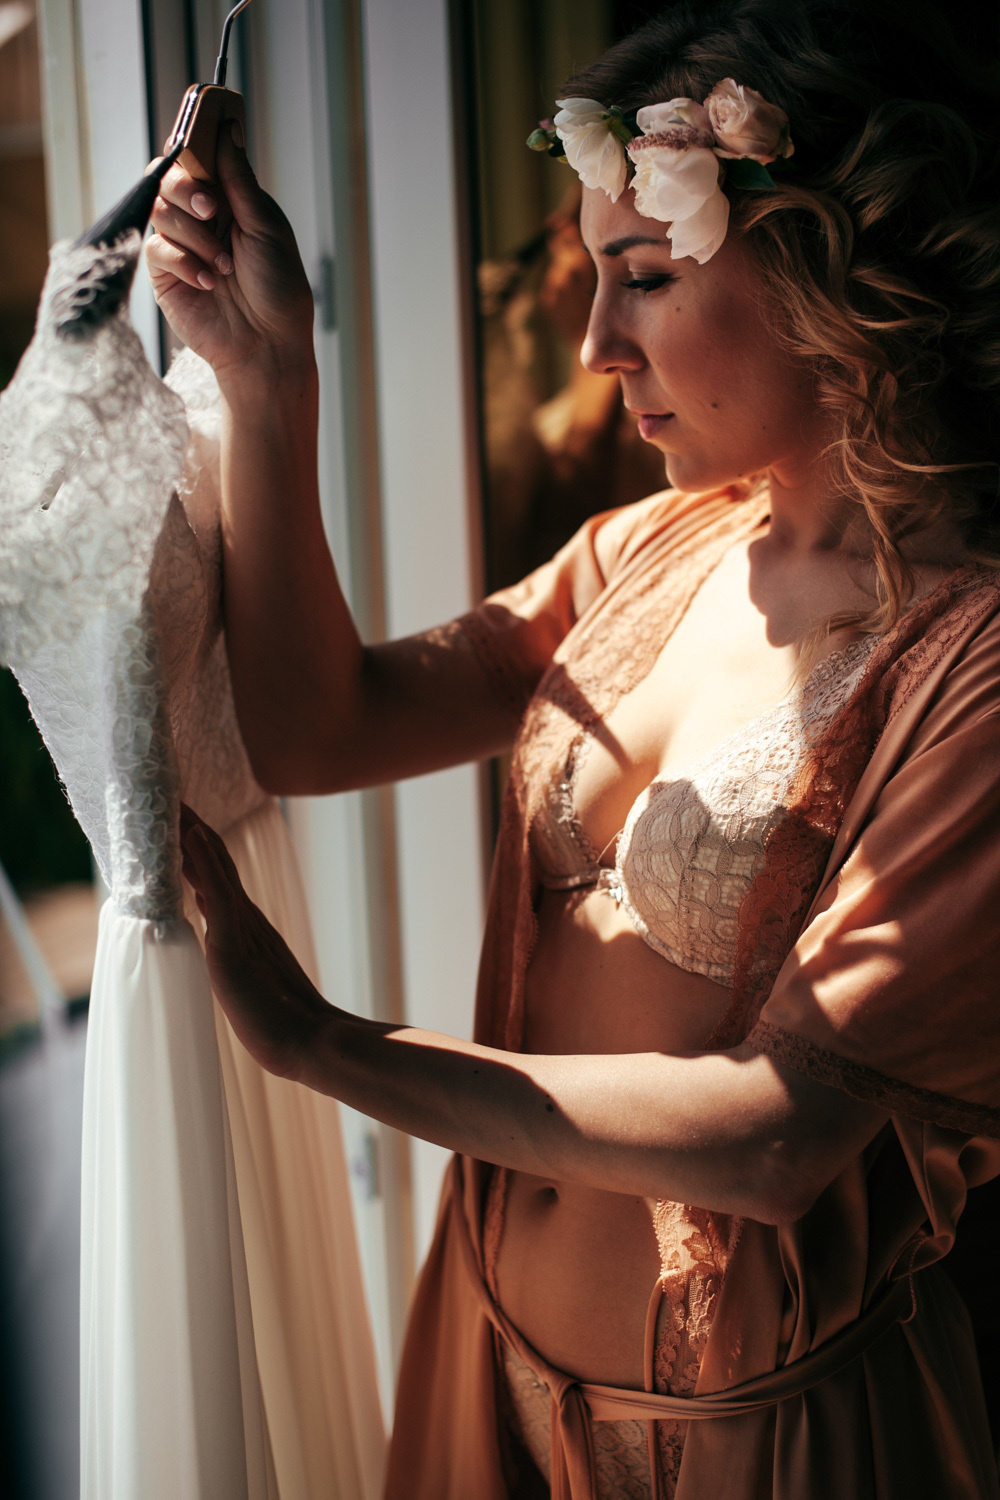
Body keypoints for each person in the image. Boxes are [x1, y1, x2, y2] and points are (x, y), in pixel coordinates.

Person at [147, 0, 1000, 1494]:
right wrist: (269, 374)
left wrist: (322, 1043)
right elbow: (316, 724)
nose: (598, 343)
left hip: (762, 1449)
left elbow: (776, 1133)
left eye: (647, 277)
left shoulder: (973, 669)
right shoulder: (645, 555)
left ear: (824, 281)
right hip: (486, 1378)